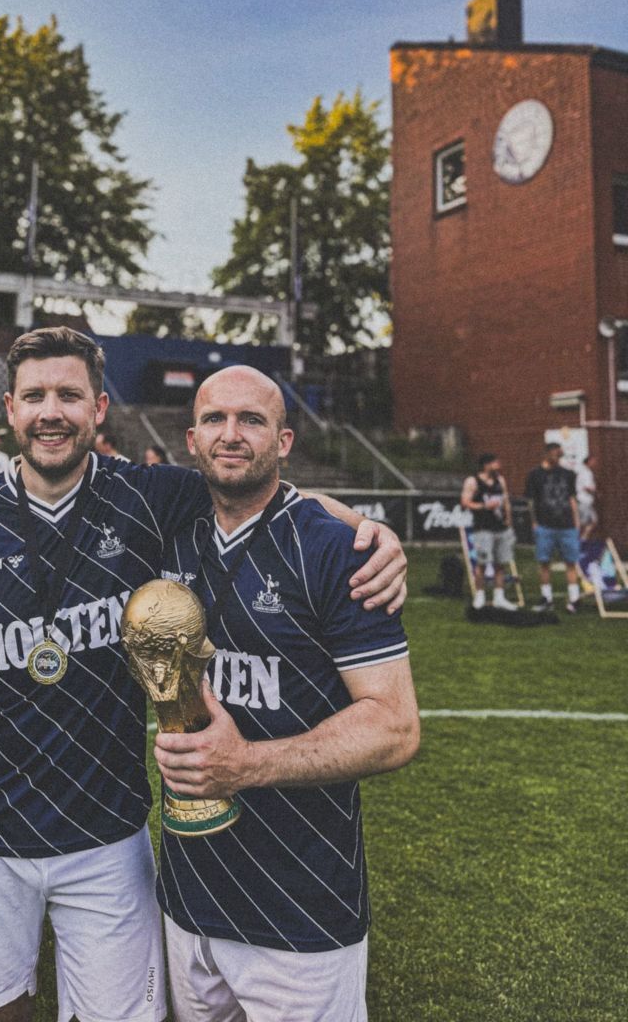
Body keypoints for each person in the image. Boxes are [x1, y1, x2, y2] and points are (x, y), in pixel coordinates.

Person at [0, 327, 408, 1022]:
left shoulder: (148, 498)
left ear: (99, 408)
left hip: (108, 837)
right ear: (9, 409)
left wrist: (367, 531)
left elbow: (258, 489)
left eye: (69, 395)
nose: (51, 412)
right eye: (34, 396)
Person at [153, 366, 419, 1022]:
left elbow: (394, 726)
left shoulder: (337, 550)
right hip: (187, 898)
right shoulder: (168, 528)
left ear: (284, 440)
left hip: (302, 907)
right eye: (214, 419)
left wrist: (246, 764)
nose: (231, 434)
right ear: (191, 439)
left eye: (252, 420)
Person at [525, 443, 581, 614]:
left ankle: (574, 599)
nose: (558, 458)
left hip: (567, 525)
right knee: (544, 562)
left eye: (560, 455)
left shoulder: (568, 474)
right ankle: (546, 598)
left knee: (570, 562)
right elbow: (531, 501)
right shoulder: (535, 475)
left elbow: (571, 498)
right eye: (556, 454)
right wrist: (534, 522)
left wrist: (576, 521)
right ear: (547, 454)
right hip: (545, 525)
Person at [460, 453, 516, 611]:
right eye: (495, 463)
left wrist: (508, 518)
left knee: (501, 564)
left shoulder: (500, 480)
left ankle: (499, 597)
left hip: (501, 528)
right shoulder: (473, 481)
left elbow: (505, 500)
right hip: (483, 528)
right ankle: (480, 596)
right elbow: (465, 502)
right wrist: (484, 506)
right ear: (486, 465)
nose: (498, 465)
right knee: (482, 563)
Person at [576, 453, 599, 540]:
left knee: (592, 521)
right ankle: (581, 540)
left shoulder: (585, 472)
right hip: (584, 501)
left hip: (585, 502)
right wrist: (596, 492)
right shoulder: (586, 473)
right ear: (588, 462)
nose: (595, 463)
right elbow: (587, 488)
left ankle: (583, 539)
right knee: (586, 522)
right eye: (593, 461)